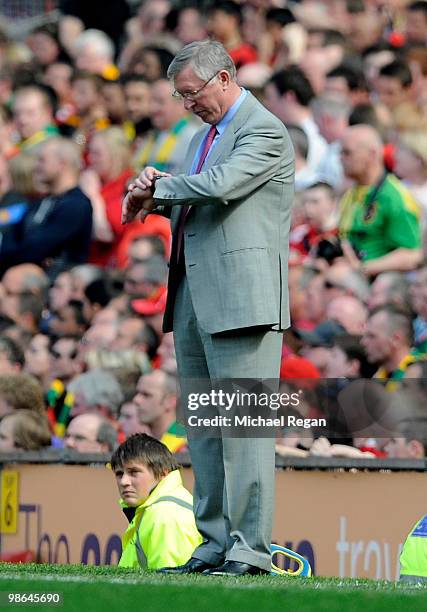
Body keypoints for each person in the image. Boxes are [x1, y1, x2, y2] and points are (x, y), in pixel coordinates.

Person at [122, 40, 294, 576]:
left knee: (243, 429)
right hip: (195, 294)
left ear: (225, 78)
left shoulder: (263, 129)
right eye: (180, 95)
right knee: (205, 428)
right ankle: (215, 543)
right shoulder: (202, 137)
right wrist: (155, 195)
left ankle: (249, 549)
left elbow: (222, 187)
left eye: (192, 92)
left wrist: (159, 188)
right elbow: (195, 205)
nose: (188, 103)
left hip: (244, 300)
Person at [339, 125, 423, 277]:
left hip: (377, 284)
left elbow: (411, 255)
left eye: (347, 153)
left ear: (372, 154)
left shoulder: (395, 197)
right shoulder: (351, 192)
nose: (341, 158)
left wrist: (361, 268)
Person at [111, 433, 202, 569]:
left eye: (134, 472)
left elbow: (171, 586)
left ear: (162, 473)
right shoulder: (160, 509)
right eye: (119, 474)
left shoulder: (165, 516)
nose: (124, 481)